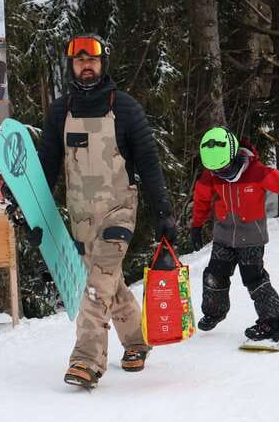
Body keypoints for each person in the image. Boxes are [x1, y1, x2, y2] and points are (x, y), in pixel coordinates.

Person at [34, 33, 176, 389]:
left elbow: (149, 163)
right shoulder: (60, 110)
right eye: (79, 60)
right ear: (72, 65)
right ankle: (138, 341)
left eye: (92, 59)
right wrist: (30, 209)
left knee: (97, 285)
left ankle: (86, 360)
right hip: (80, 217)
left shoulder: (125, 107)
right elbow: (46, 166)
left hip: (119, 212)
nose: (86, 65)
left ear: (102, 63)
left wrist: (164, 213)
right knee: (109, 283)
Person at [191, 126, 279, 341]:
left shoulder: (258, 173)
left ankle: (274, 320)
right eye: (216, 171)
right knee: (214, 275)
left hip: (251, 237)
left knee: (254, 279)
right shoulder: (210, 177)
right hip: (223, 236)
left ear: (234, 154)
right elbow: (201, 200)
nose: (221, 175)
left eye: (225, 168)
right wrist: (196, 225)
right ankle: (214, 312)